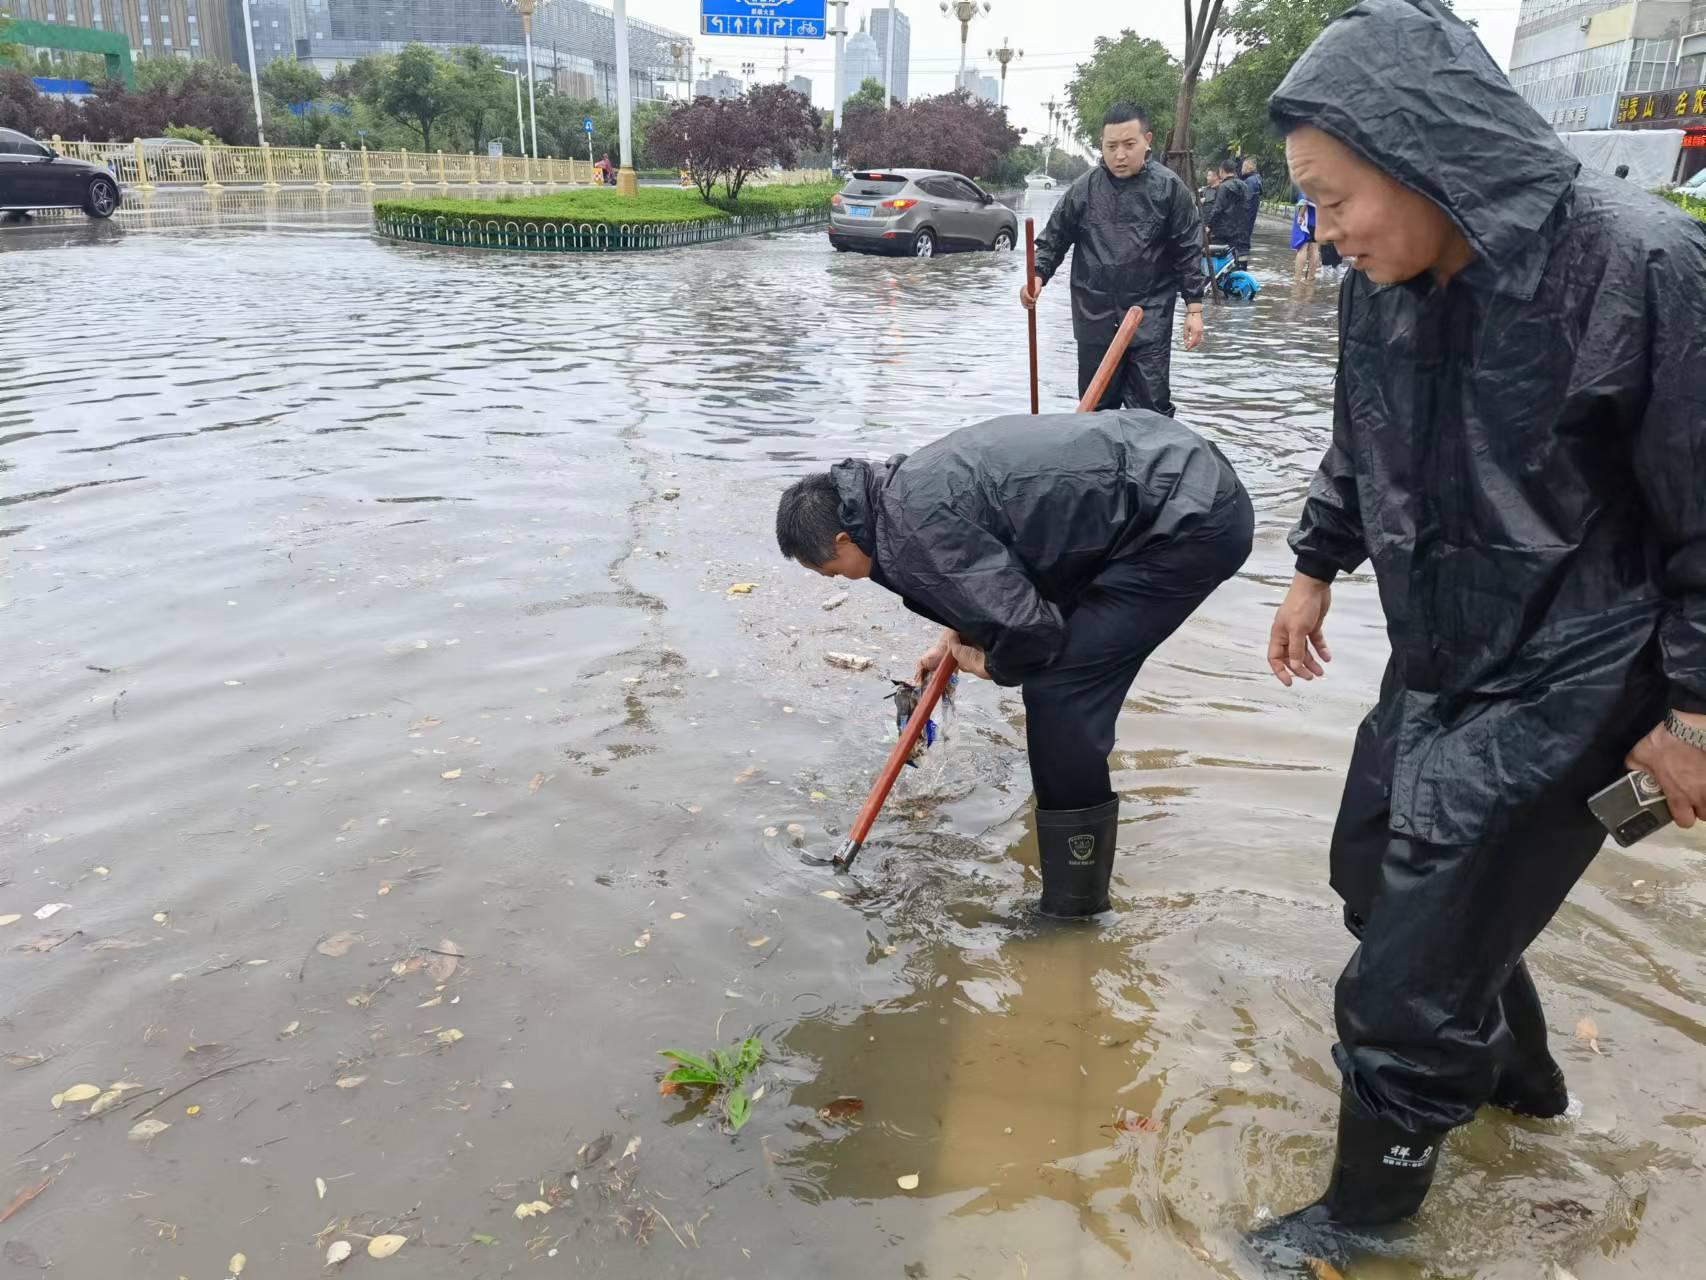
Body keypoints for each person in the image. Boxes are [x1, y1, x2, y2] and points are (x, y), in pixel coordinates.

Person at [1251, 0, 1706, 1270]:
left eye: (1334, 198)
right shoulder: (1379, 287)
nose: (1323, 230)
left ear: (1421, 155)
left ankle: (1360, 1228)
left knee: (1404, 977)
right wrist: (1310, 566)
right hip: (1438, 648)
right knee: (1368, 872)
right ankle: (1524, 1084)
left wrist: (1689, 715)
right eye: (1313, 205)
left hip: (1580, 673)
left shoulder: (1637, 266)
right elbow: (1361, 438)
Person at [775, 412, 1253, 917]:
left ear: (845, 541)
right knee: (1061, 657)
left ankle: (1075, 909)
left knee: (1060, 690)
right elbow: (993, 568)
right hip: (1167, 473)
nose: (835, 580)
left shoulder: (912, 533)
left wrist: (993, 665)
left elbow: (1030, 632)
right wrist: (955, 634)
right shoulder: (898, 494)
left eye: (829, 570)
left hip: (1186, 523)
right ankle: (1062, 819)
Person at [1022, 103, 1207, 418]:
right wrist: (1036, 277)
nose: (1120, 155)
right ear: (1102, 146)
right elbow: (1053, 239)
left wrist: (1195, 309)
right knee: (1095, 412)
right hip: (1095, 315)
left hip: (1149, 317)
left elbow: (1188, 249)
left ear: (1147, 140)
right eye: (1111, 147)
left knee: (1149, 414)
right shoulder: (1084, 189)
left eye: (1128, 144)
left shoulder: (1169, 189)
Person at [1204, 157, 1253, 266]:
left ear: (1222, 171)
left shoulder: (1223, 187)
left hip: (1223, 233)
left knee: (1222, 262)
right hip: (1242, 232)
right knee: (1240, 262)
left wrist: (1209, 226)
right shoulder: (1245, 186)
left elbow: (1217, 209)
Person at [1291, 196, 1321, 281]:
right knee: (1315, 249)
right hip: (1318, 221)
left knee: (1302, 248)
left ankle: (1297, 278)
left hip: (1307, 220)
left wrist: (1300, 215)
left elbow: (1305, 197)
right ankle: (1311, 277)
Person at [1242, 157, 1264, 255]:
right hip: (1250, 218)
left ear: (1247, 167)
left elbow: (1246, 200)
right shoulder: (1256, 179)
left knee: (1243, 240)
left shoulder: (1250, 181)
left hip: (1246, 218)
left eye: (1243, 166)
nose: (1241, 169)